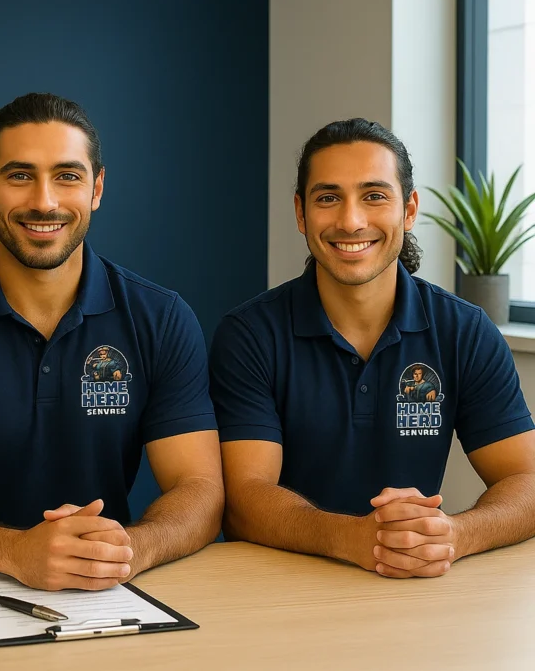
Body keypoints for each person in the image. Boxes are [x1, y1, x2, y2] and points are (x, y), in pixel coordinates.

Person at [0, 92, 223, 591]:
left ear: (97, 188)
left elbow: (200, 489)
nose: (44, 202)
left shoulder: (160, 318)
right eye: (19, 176)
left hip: (105, 587)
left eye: (67, 176)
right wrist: (14, 551)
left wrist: (128, 550)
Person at [209, 118, 535, 578]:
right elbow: (243, 499)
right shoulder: (249, 335)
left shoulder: (464, 330)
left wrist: (455, 535)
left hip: (411, 587)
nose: (351, 220)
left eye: (374, 196)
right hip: (277, 588)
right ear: (301, 213)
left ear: (409, 209)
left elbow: (527, 480)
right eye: (328, 198)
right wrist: (354, 537)